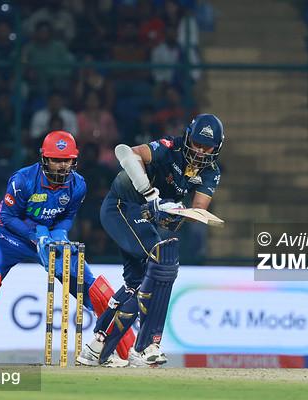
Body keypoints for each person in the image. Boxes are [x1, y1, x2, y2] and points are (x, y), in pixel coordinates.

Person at [0, 131, 133, 366]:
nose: (62, 166)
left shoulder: (78, 185)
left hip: (48, 238)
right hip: (9, 236)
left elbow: (67, 217)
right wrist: (34, 235)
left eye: (67, 160)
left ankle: (127, 349)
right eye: (56, 160)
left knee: (90, 285)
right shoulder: (23, 180)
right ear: (44, 159)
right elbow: (7, 217)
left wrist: (59, 234)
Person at [77, 114, 224, 367]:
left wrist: (174, 213)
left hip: (143, 217)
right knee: (162, 261)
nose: (200, 151)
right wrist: (150, 194)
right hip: (121, 205)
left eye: (207, 147)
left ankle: (97, 347)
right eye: (197, 144)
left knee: (137, 282)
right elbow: (125, 152)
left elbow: (198, 210)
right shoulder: (169, 148)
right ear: (188, 137)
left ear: (217, 148)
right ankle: (145, 346)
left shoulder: (211, 172)